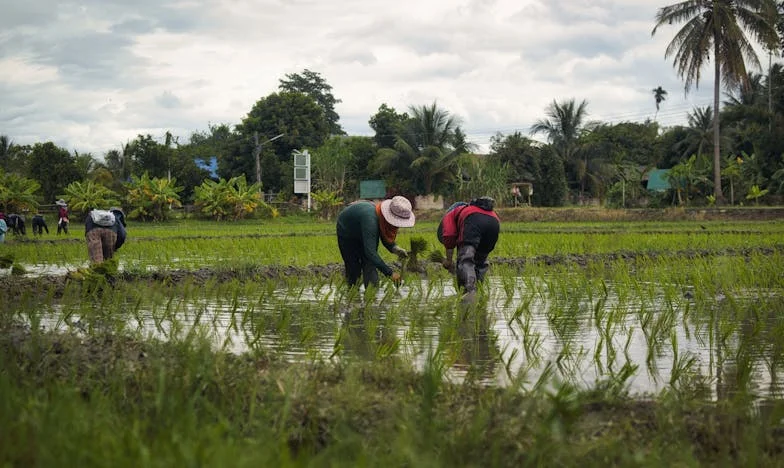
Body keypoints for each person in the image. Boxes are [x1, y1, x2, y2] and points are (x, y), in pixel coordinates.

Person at [336, 195, 415, 288]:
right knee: (353, 269)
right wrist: (390, 273)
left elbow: (383, 234)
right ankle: (352, 295)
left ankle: (372, 295)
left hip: (364, 225)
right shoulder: (371, 221)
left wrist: (394, 248)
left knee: (370, 265)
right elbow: (370, 252)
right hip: (347, 232)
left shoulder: (380, 218)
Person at [437, 197, 500, 299]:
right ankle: (478, 293)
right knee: (480, 261)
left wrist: (448, 261)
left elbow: (448, 236)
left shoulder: (450, 215)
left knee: (466, 260)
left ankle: (469, 291)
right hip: (494, 221)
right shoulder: (467, 209)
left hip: (473, 219)